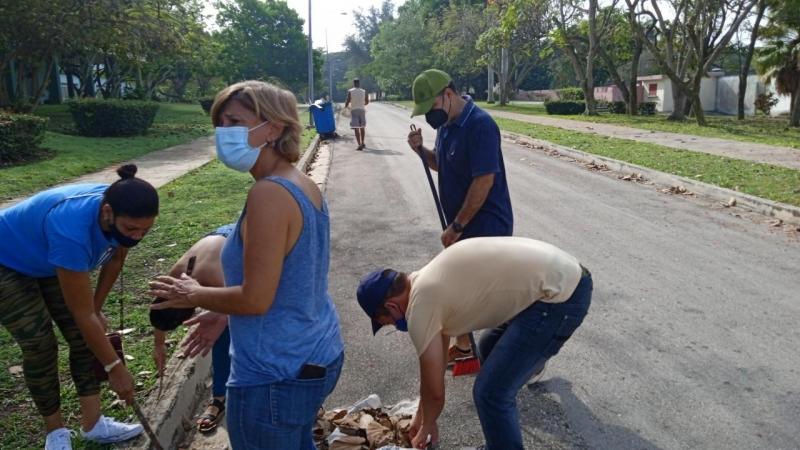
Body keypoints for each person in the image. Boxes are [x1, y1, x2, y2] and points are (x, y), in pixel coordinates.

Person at [149, 80, 344, 449]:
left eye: (234, 122)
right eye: (219, 124)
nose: (223, 134)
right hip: (313, 352)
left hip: (275, 375)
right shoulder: (297, 181)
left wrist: (194, 292)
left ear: (273, 127)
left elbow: (256, 300)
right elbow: (286, 279)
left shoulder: (268, 194)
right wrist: (223, 311)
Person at [356, 237, 592, 450]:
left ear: (392, 307)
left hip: (560, 299)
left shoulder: (420, 308)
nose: (393, 325)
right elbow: (432, 375)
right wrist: (422, 417)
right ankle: (521, 377)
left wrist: (428, 427)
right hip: (558, 280)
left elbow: (435, 393)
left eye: (386, 322)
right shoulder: (424, 282)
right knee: (488, 351)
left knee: (490, 394)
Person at [0, 165, 156, 450]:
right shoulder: (71, 229)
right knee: (39, 344)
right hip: (6, 259)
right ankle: (56, 433)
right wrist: (115, 368)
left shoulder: (124, 216)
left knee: (86, 335)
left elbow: (116, 259)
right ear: (107, 212)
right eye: (132, 229)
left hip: (46, 257)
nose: (137, 237)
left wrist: (97, 308)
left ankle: (93, 424)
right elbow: (80, 314)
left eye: (145, 230)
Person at [407, 69, 514, 363]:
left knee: (495, 296)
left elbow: (484, 181)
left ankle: (527, 351)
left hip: (487, 225)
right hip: (463, 226)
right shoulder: (447, 126)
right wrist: (421, 151)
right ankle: (465, 347)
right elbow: (442, 165)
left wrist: (457, 225)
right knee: (462, 289)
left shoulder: (480, 126)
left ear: (449, 94)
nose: (430, 116)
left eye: (432, 108)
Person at [150, 224, 235, 434]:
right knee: (220, 323)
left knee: (226, 329)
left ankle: (225, 395)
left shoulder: (216, 279)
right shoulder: (172, 284)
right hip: (215, 240)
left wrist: (221, 314)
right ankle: (220, 396)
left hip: (239, 241)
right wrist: (158, 346)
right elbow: (159, 308)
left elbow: (240, 303)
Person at [345, 78, 369, 150]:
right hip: (362, 110)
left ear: (353, 83)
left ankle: (359, 145)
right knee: (362, 127)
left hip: (354, 111)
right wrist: (361, 104)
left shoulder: (350, 91)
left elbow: (347, 100)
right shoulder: (364, 91)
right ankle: (363, 142)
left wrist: (346, 107)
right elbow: (367, 102)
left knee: (356, 128)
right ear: (359, 83)